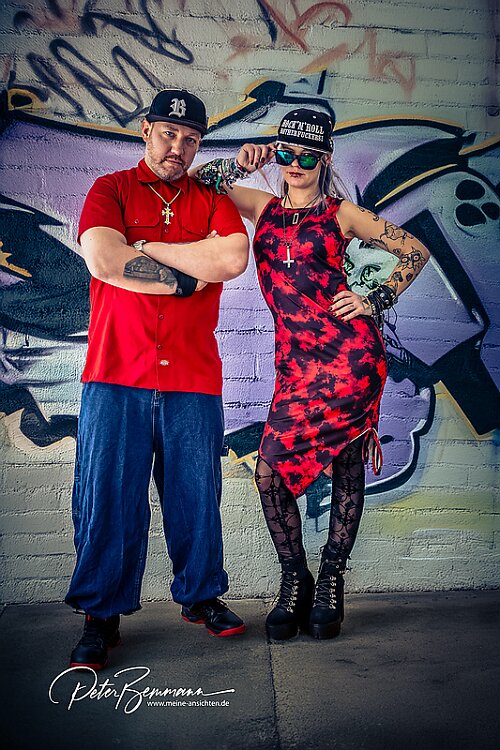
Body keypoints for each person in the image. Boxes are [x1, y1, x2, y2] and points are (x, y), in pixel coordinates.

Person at [172, 107, 431, 641]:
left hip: (350, 360)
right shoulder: (261, 206)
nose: (294, 163)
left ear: (325, 159)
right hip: (295, 367)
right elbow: (197, 182)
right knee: (269, 472)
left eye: (306, 156)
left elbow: (414, 250)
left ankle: (331, 580)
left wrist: (373, 298)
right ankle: (296, 579)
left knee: (346, 465)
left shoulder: (342, 214)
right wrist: (242, 161)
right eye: (286, 153)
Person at [66, 88, 249, 670]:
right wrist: (187, 273)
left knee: (197, 495)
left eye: (191, 139)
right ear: (146, 130)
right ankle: (101, 615)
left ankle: (202, 597)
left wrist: (143, 249)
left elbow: (231, 260)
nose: (178, 147)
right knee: (108, 497)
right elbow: (104, 259)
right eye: (169, 134)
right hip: (115, 370)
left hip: (193, 374)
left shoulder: (212, 198)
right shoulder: (111, 189)